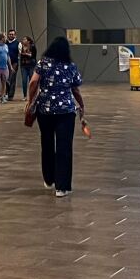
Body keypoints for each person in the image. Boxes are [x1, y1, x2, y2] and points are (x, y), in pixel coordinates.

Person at [26, 36, 84, 198]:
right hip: (66, 111)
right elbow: (76, 89)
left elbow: (33, 83)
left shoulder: (43, 63)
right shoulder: (71, 66)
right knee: (64, 147)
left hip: (45, 110)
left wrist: (30, 101)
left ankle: (49, 179)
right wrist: (82, 105)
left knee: (47, 143)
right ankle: (62, 186)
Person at [19, 36, 37, 101]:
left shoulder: (32, 47)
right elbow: (19, 54)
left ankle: (32, 95)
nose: (23, 40)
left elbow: (34, 56)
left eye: (24, 39)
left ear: (28, 41)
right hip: (23, 66)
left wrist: (27, 54)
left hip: (31, 65)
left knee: (31, 81)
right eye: (23, 39)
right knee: (24, 81)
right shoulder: (20, 46)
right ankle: (25, 96)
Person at [5, 29, 20, 100]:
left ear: (15, 35)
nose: (11, 35)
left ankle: (10, 95)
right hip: (5, 63)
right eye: (10, 34)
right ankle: (6, 93)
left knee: (12, 78)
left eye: (12, 34)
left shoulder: (18, 43)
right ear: (8, 35)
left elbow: (20, 53)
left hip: (14, 63)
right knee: (6, 79)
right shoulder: (5, 43)